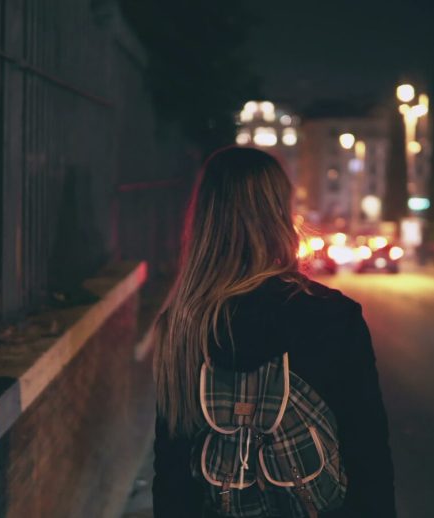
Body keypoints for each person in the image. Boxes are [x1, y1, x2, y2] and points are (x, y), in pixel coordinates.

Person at [152, 147, 396, 517]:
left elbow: (172, 470)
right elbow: (368, 453)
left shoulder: (183, 325)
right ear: (280, 213)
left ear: (204, 219)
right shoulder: (332, 316)